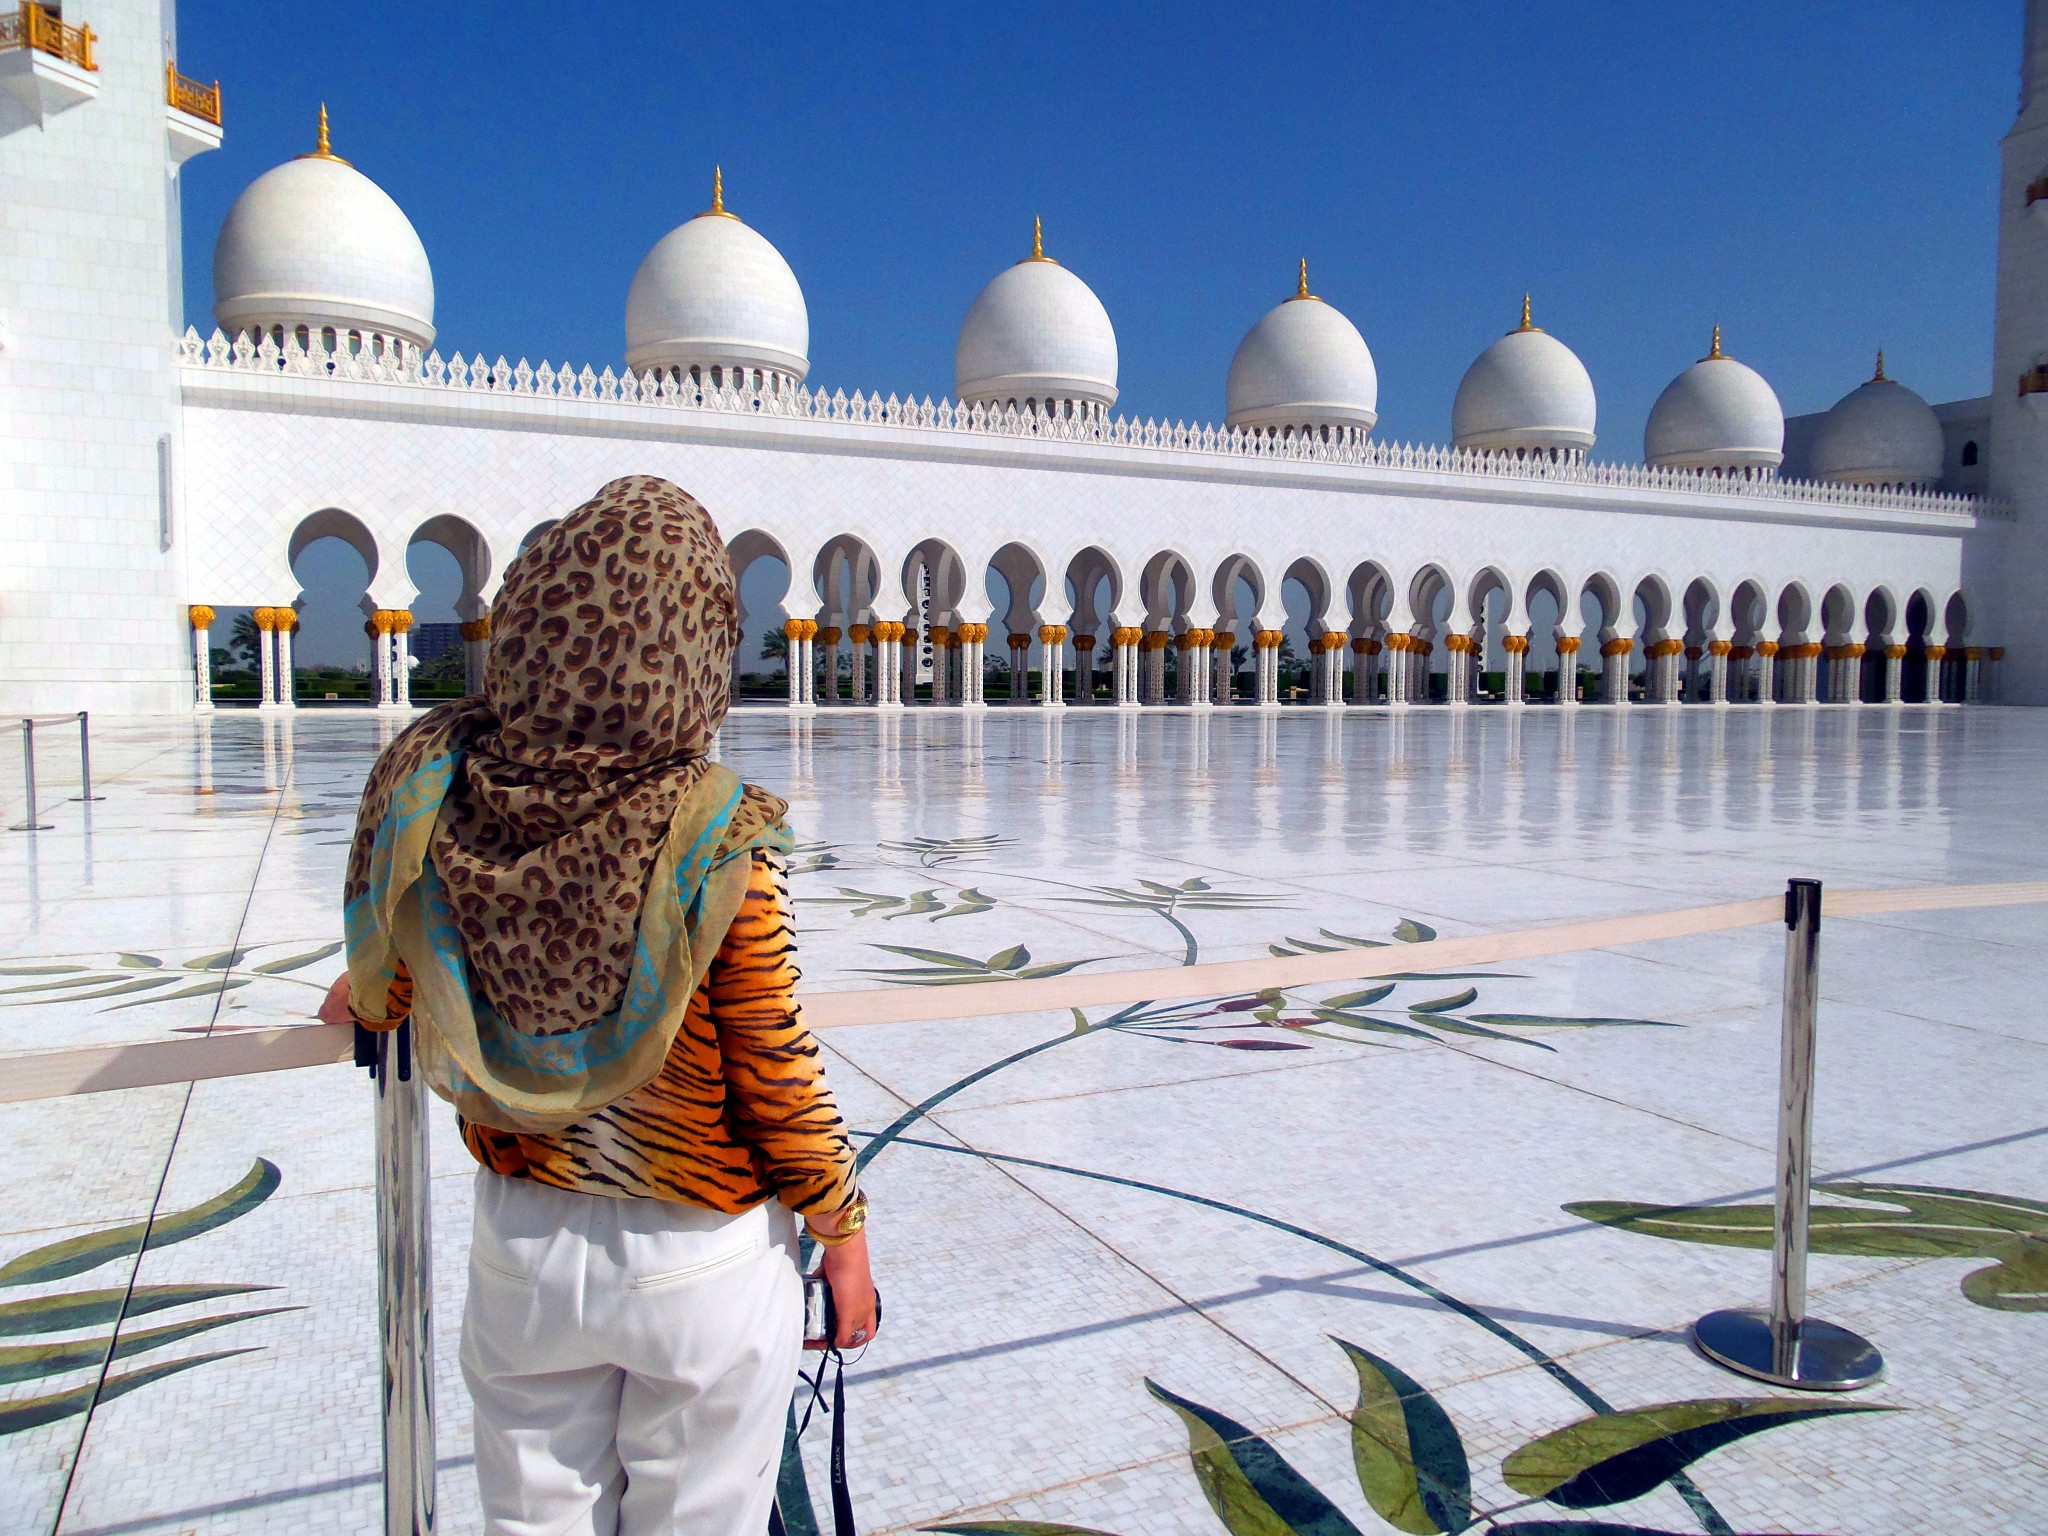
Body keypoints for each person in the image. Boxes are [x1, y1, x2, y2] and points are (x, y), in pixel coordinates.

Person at [320, 474, 875, 1536]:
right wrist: (840, 1235)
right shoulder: (721, 840)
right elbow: (773, 1066)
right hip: (698, 1251)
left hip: (523, 1242)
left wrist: (365, 988)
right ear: (694, 651)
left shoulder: (442, 794)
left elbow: (388, 984)